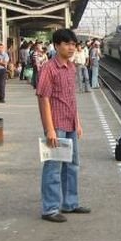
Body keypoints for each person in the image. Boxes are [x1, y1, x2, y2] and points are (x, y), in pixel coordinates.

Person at [37, 29, 91, 223]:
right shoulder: (48, 68)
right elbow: (44, 98)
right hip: (56, 124)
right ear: (57, 45)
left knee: (73, 165)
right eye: (67, 44)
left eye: (73, 44)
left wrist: (78, 122)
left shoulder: (71, 67)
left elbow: (71, 97)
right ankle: (50, 209)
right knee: (53, 167)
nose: (71, 48)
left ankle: (70, 203)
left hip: (70, 123)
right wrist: (49, 128)